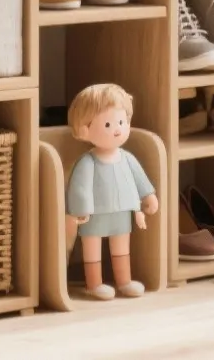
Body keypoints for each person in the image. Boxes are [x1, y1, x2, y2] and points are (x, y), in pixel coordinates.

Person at [64, 83, 157, 300]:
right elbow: (80, 186)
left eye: (121, 122)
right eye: (108, 124)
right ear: (84, 130)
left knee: (121, 246)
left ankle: (124, 281)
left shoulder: (127, 158)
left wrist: (148, 195)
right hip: (95, 215)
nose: (117, 129)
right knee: (93, 247)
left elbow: (139, 178)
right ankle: (94, 283)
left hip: (123, 213)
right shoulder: (88, 162)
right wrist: (81, 208)